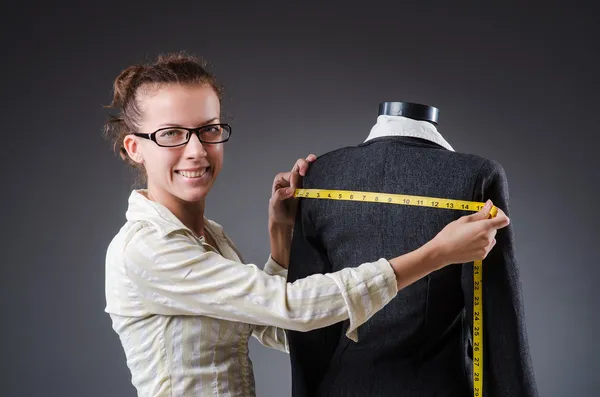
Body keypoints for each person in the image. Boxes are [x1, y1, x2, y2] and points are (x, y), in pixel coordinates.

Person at [102, 52, 510, 397]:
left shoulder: (210, 236)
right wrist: (438, 253)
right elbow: (293, 309)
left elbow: (274, 327)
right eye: (171, 133)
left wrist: (281, 234)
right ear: (134, 147)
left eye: (208, 129)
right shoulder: (146, 248)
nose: (195, 150)